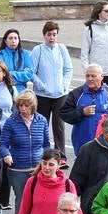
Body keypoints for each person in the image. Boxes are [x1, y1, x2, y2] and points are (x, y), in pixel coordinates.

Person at [0, 90, 51, 213]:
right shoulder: (11, 122)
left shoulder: (42, 120)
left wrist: (46, 161)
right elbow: (3, 145)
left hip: (38, 169)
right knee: (22, 200)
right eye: (20, 105)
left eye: (26, 106)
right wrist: (6, 155)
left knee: (39, 200)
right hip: (18, 170)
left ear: (32, 106)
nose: (22, 109)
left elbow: (46, 145)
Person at [31, 21, 73, 154]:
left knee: (59, 126)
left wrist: (64, 85)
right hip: (42, 95)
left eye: (54, 34)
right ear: (44, 35)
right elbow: (31, 72)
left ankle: (60, 154)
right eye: (49, 34)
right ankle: (42, 152)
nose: (52, 37)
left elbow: (68, 69)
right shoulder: (38, 50)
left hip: (60, 95)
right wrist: (41, 86)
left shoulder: (62, 49)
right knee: (41, 125)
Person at [60, 64, 108, 158]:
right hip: (82, 143)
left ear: (102, 77)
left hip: (105, 143)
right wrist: (82, 112)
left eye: (93, 76)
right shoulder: (76, 93)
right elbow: (64, 113)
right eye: (87, 76)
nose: (90, 78)